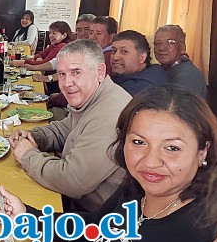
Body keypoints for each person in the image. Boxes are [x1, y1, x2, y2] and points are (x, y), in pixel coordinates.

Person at [0, 85, 217, 242]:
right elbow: (94, 228)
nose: (150, 161)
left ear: (202, 151)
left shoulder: (212, 237)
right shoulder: (137, 191)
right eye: (139, 142)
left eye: (172, 148)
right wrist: (27, 215)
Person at [9, 39, 132, 212]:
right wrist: (32, 136)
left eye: (76, 72)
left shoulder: (111, 113)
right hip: (77, 204)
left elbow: (73, 180)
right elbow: (65, 130)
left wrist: (28, 156)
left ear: (100, 72)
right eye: (61, 74)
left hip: (95, 221)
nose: (67, 83)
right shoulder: (95, 96)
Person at [154, 24, 207, 97]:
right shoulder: (161, 70)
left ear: (183, 48)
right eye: (158, 43)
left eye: (170, 43)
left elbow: (178, 107)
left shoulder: (188, 75)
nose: (162, 48)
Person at [111, 30, 167, 96]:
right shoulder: (152, 71)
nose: (115, 57)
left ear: (142, 57)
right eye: (114, 51)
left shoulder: (138, 89)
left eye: (124, 51)